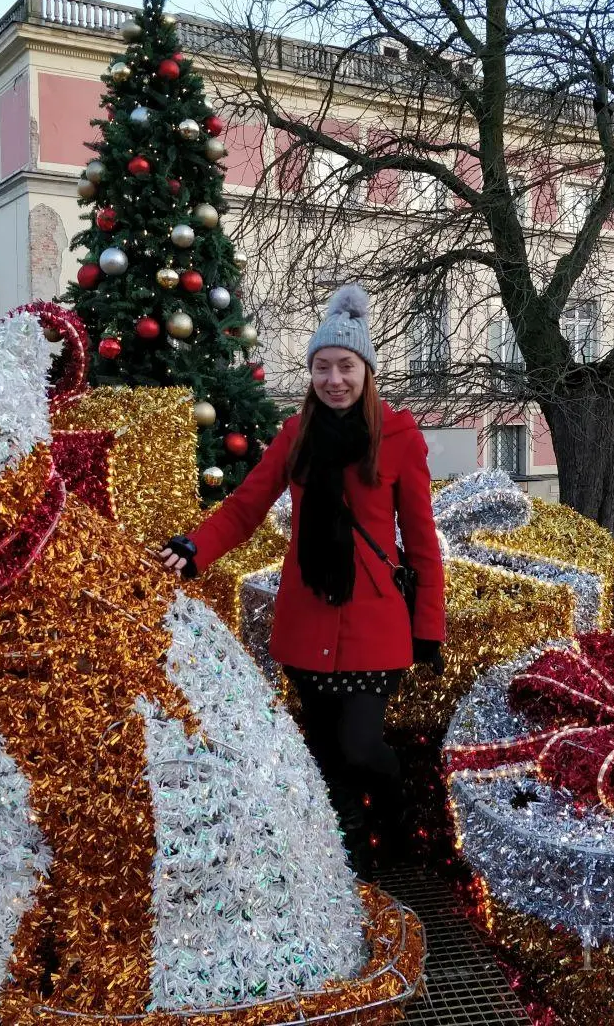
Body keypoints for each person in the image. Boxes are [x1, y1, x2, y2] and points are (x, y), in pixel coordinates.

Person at [159, 284, 446, 873]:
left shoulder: (398, 439)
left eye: (345, 366)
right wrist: (195, 547)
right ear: (311, 372)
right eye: (322, 367)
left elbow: (420, 542)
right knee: (324, 756)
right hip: (306, 619)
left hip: (373, 625)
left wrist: (427, 626)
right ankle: (352, 866)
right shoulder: (295, 436)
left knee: (362, 748)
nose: (334, 379)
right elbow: (245, 507)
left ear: (365, 371)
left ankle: (395, 820)